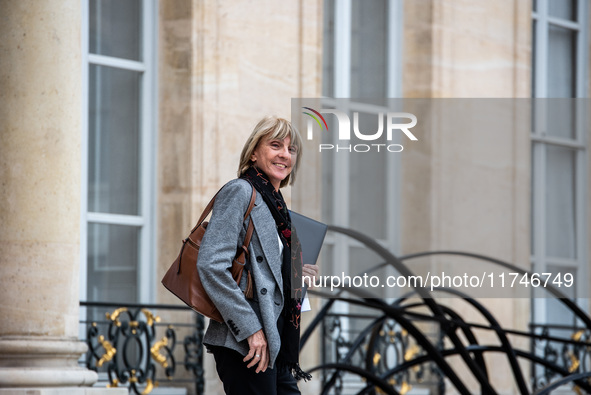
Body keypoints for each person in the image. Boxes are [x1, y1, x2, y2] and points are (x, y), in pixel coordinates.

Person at [198, 116, 320, 395]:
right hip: (246, 338)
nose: (284, 155)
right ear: (254, 152)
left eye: (291, 149)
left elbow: (271, 275)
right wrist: (250, 330)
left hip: (273, 335)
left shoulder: (277, 207)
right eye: (275, 145)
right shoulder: (240, 191)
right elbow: (211, 265)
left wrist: (299, 275)